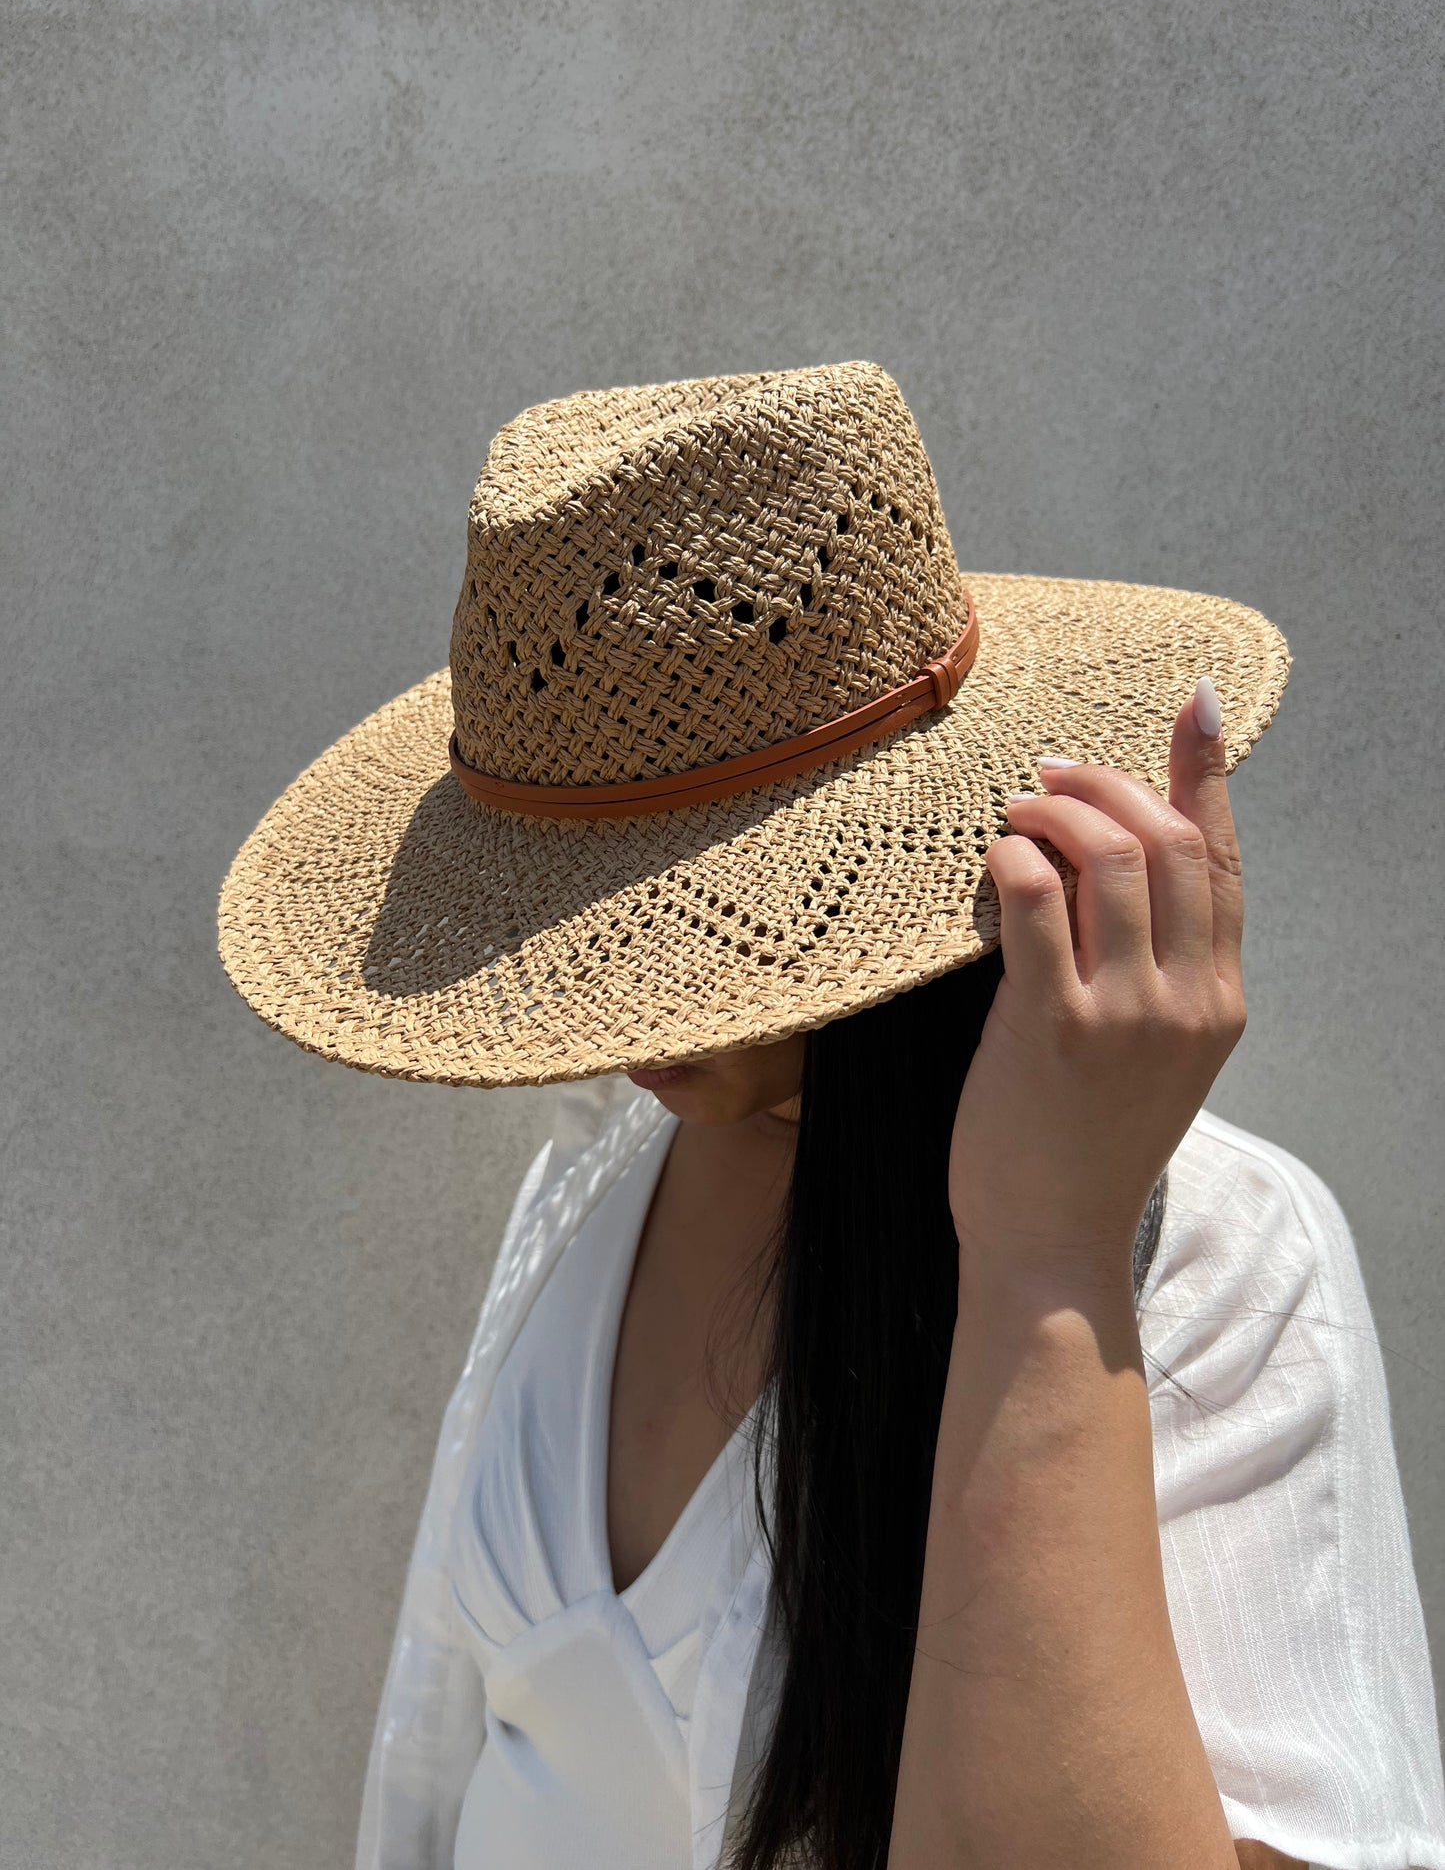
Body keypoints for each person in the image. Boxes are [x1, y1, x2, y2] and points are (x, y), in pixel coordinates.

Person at [219, 362, 1445, 1870]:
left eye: (671, 921)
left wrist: (1043, 1263)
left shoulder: (1206, 1255)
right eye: (578, 919)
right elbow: (441, 1755)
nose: (626, 1010)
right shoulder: (588, 1188)